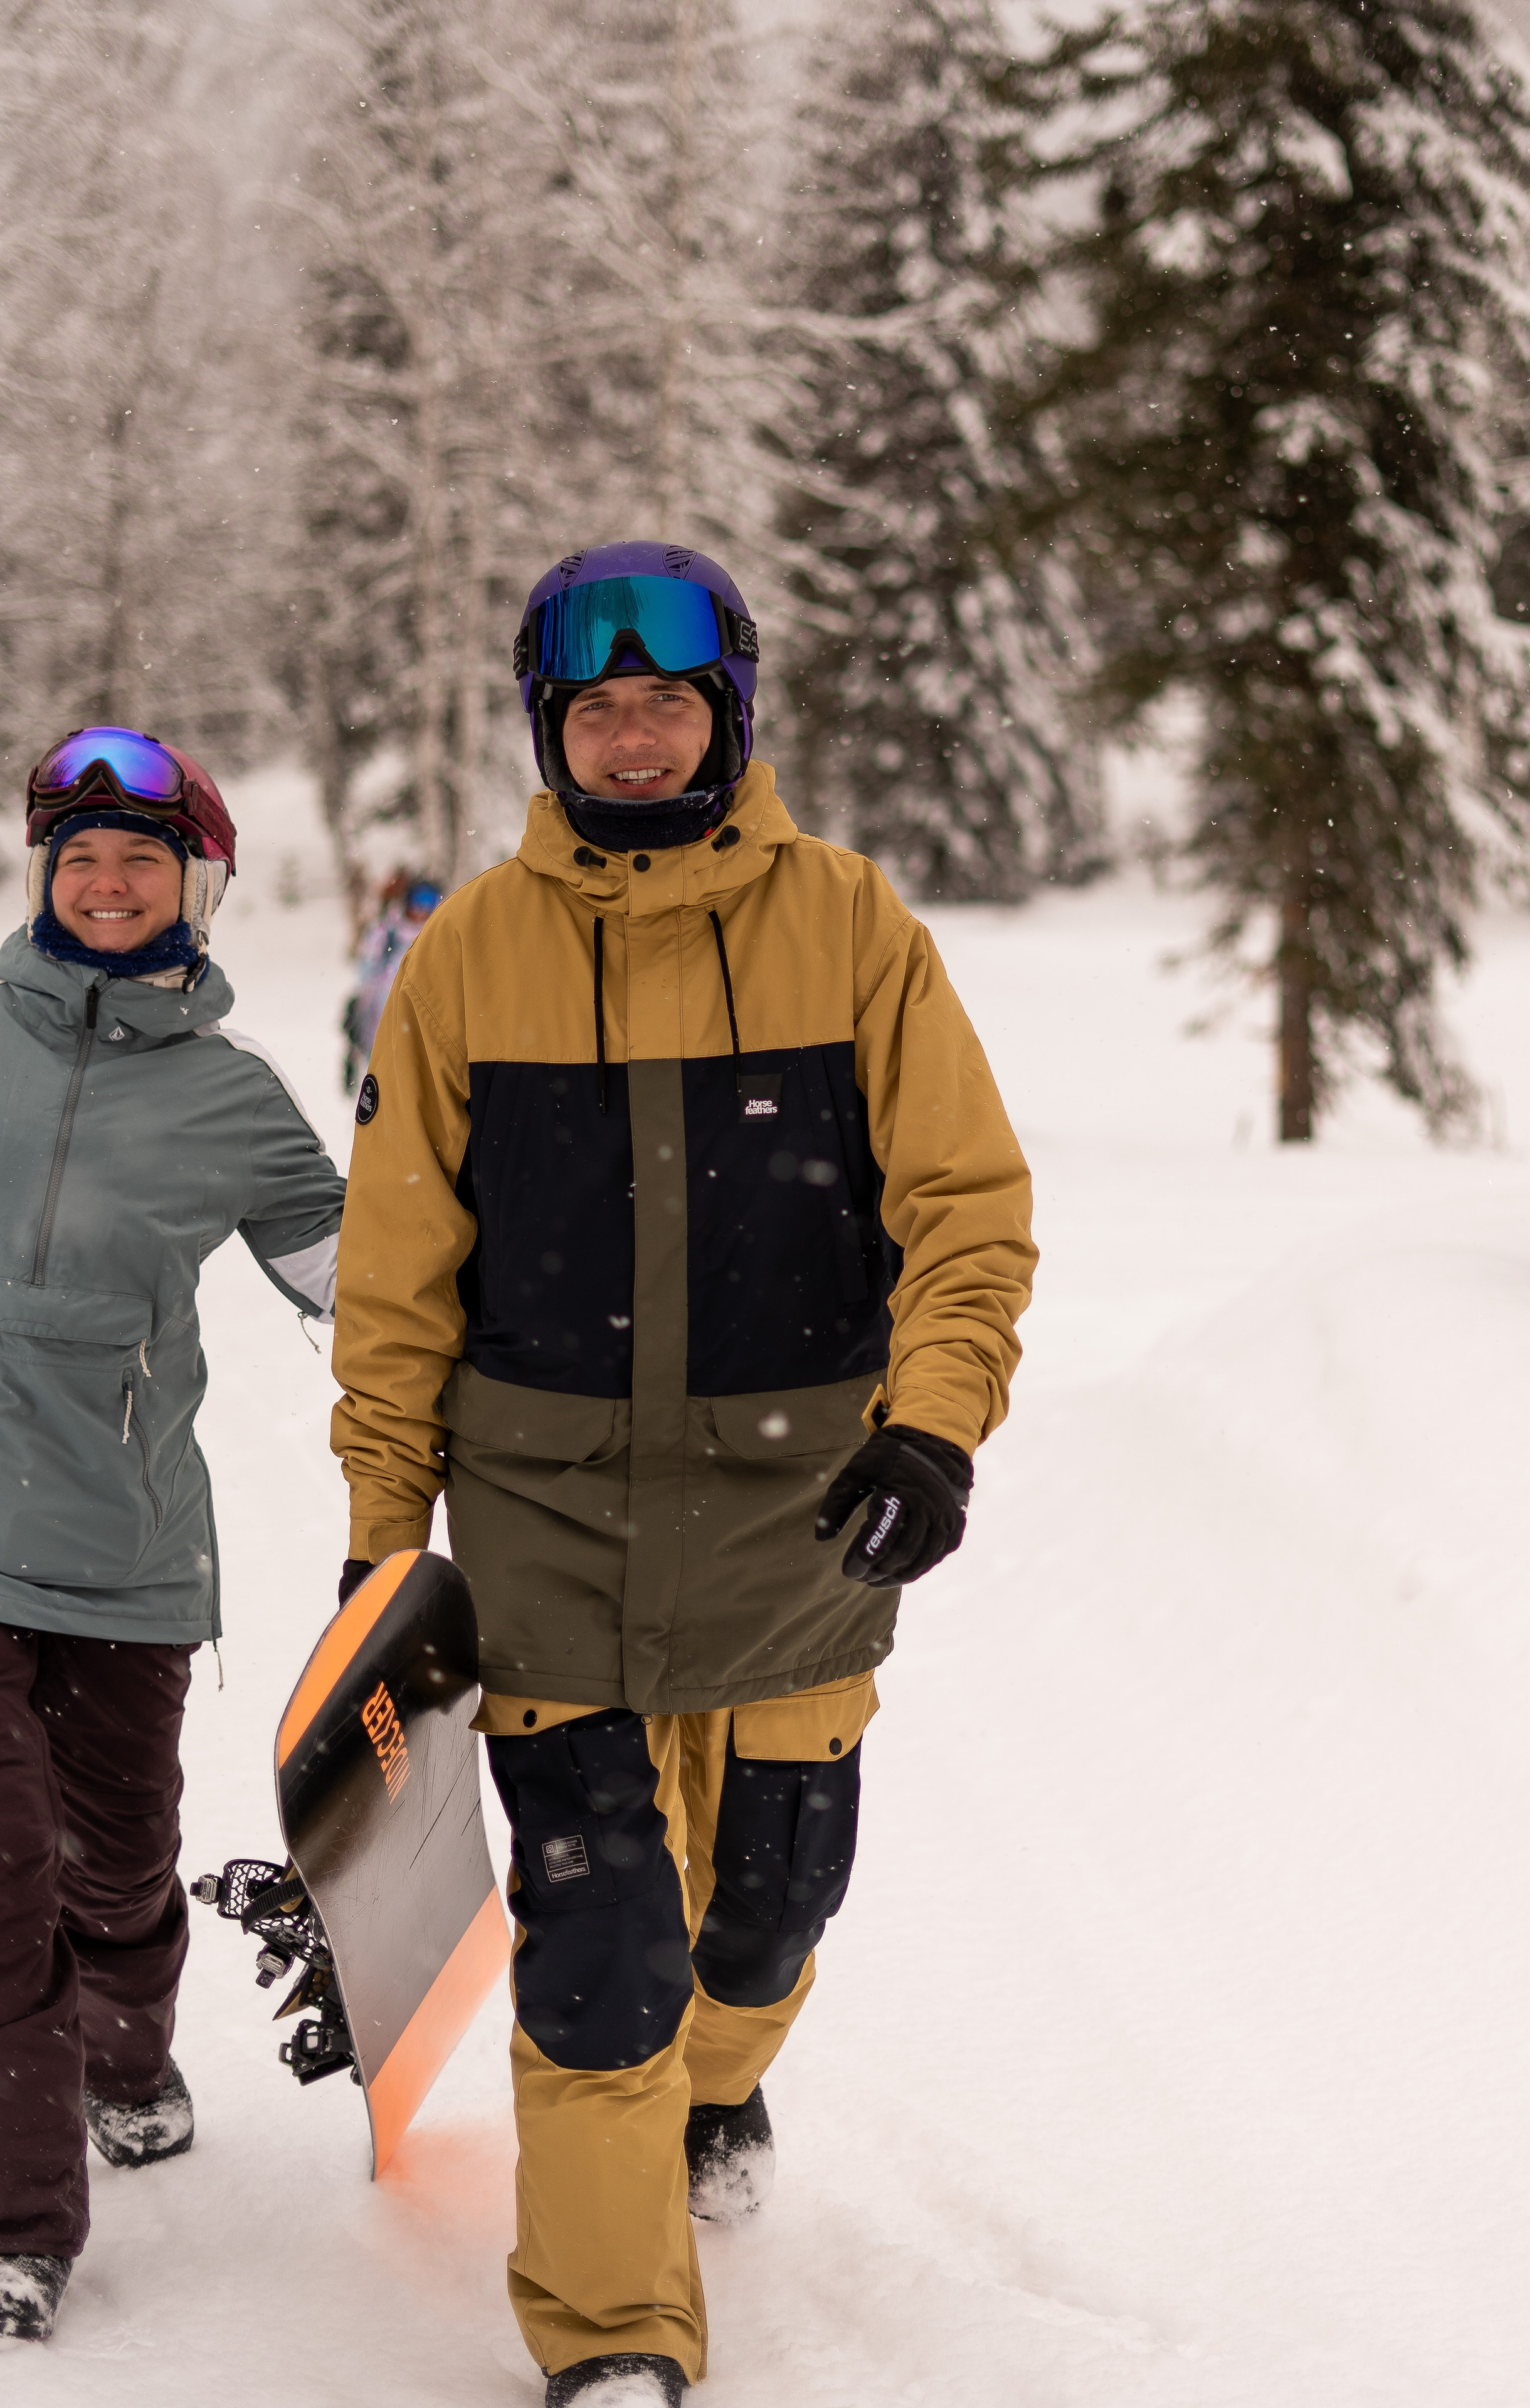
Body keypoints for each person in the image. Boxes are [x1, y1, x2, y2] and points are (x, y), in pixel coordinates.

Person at [329, 544, 1034, 2404]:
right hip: (548, 1524)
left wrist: (933, 1424)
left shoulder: (851, 923)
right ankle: (616, 2333)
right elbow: (398, 1282)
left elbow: (967, 1205)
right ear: (547, 728)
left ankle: (718, 2089)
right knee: (604, 1947)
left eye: (665, 704)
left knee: (766, 1913)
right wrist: (382, 1545)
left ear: (727, 711)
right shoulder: (467, 951)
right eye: (593, 710)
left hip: (802, 1521)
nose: (631, 739)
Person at [0, 728, 346, 2343]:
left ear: (195, 884)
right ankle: (24, 2223)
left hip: (124, 1553)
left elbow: (369, 1287)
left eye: (139, 860)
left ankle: (132, 2051)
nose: (105, 882)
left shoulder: (232, 1099)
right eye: (77, 858)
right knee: (5, 1883)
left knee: (116, 1870)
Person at [340, 871, 445, 1093]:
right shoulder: (387, 932)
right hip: (382, 1021)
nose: (423, 908)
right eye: (419, 900)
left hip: (424, 1025)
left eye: (430, 900)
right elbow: (367, 974)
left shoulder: (440, 935)